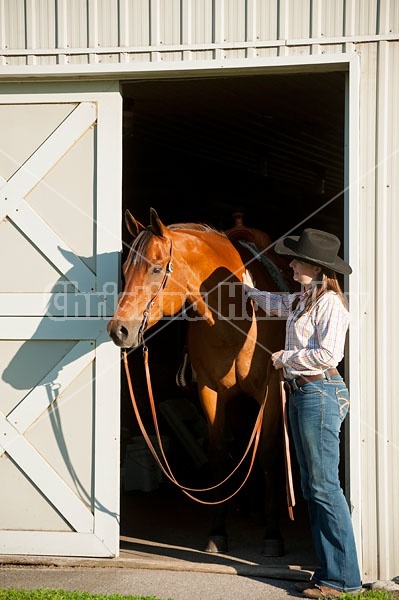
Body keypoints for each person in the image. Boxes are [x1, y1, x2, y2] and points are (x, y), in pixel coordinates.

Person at [242, 228, 362, 599]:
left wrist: (285, 358)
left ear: (314, 266)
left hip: (320, 393)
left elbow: (329, 355)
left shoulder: (331, 306)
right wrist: (247, 289)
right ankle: (330, 573)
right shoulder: (301, 301)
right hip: (304, 394)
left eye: (295, 259)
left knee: (324, 487)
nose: (289, 264)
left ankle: (344, 581)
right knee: (315, 487)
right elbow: (272, 303)